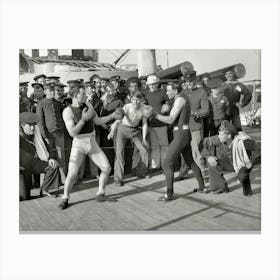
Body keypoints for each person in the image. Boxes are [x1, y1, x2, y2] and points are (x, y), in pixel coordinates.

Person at [58, 87, 121, 209]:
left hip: (92, 141)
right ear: (75, 95)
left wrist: (112, 116)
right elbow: (72, 132)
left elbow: (97, 121)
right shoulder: (68, 111)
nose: (86, 96)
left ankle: (101, 193)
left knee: (107, 168)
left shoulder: (88, 105)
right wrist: (83, 120)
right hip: (79, 143)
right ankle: (65, 197)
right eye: (83, 94)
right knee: (72, 173)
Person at [153, 82, 206, 201]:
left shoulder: (180, 99)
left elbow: (171, 119)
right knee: (191, 162)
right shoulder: (179, 99)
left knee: (167, 163)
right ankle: (202, 187)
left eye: (168, 90)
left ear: (175, 90)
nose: (166, 93)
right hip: (182, 133)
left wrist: (155, 115)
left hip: (181, 134)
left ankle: (169, 194)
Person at [200, 120, 261, 195]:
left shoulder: (243, 142)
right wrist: (208, 157)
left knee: (242, 175)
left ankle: (247, 191)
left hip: (244, 163)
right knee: (212, 162)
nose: (219, 136)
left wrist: (250, 162)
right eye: (219, 134)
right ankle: (221, 187)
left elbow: (259, 148)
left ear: (229, 135)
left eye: (221, 134)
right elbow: (202, 143)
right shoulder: (219, 138)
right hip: (230, 163)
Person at [113, 91, 151, 187]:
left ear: (142, 99)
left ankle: (141, 171)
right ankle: (118, 178)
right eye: (133, 99)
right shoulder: (127, 107)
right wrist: (112, 130)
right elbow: (118, 119)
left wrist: (144, 139)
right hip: (123, 129)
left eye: (138, 99)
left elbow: (144, 124)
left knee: (144, 150)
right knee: (119, 153)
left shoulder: (144, 108)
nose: (136, 101)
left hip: (135, 131)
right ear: (130, 99)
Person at [20, 112, 60, 198]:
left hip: (34, 163)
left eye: (34, 125)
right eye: (29, 125)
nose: (33, 127)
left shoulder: (37, 131)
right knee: (23, 197)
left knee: (53, 166)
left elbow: (47, 146)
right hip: (21, 167)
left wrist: (51, 158)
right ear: (22, 125)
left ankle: (45, 190)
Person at [36, 82, 67, 182]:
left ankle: (63, 178)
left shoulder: (58, 103)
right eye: (50, 91)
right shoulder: (41, 103)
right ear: (45, 91)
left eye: (54, 90)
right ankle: (50, 181)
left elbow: (63, 116)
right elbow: (40, 121)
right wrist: (44, 136)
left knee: (61, 156)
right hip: (48, 135)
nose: (53, 92)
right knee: (49, 157)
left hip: (59, 133)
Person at [181, 68, 209, 179]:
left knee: (197, 150)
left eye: (191, 81)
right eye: (187, 82)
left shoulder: (202, 92)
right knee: (185, 151)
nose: (189, 83)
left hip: (196, 126)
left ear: (195, 80)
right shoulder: (183, 93)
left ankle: (203, 172)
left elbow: (206, 110)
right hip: (184, 126)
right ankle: (184, 173)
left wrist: (195, 113)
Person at [145, 74, 169, 172]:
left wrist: (166, 108)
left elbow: (169, 104)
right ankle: (155, 166)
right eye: (150, 84)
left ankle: (165, 166)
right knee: (154, 146)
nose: (152, 86)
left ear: (157, 84)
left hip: (162, 123)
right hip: (151, 124)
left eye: (153, 84)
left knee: (164, 145)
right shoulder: (146, 94)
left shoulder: (163, 93)